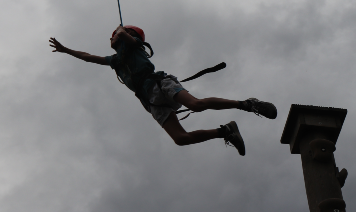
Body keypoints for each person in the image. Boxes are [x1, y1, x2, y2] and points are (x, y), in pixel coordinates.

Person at [49, 25, 277, 156]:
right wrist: (65, 49)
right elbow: (89, 57)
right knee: (180, 139)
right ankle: (226, 131)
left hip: (160, 83)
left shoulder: (135, 46)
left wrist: (122, 33)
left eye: (116, 36)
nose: (112, 38)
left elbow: (132, 40)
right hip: (150, 100)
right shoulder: (115, 61)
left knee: (195, 104)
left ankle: (247, 104)